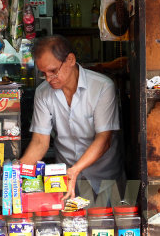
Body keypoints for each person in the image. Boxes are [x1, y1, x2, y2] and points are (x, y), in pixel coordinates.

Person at [20, 35, 124, 205]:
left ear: (70, 60)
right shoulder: (43, 92)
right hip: (65, 180)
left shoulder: (102, 87)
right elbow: (40, 142)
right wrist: (17, 171)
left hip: (105, 179)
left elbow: (104, 140)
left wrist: (75, 170)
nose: (48, 79)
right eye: (43, 73)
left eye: (53, 71)